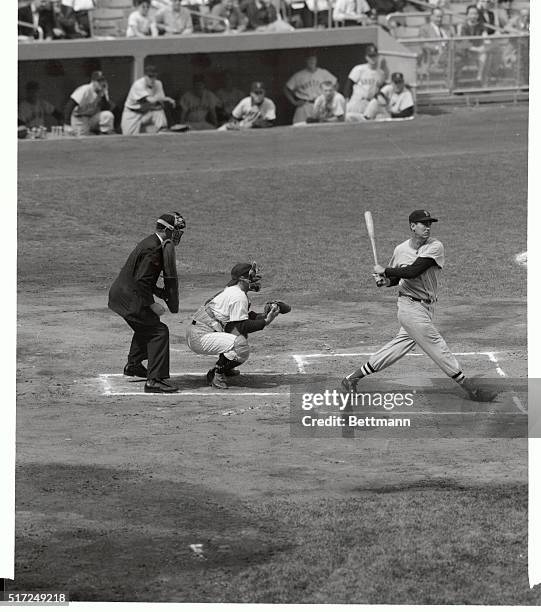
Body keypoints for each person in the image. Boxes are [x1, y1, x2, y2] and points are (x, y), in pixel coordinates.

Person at [341, 210, 498, 403]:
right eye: (423, 224)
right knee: (437, 345)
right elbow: (396, 277)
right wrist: (384, 281)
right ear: (412, 226)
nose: (428, 227)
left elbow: (414, 271)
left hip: (426, 309)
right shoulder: (400, 250)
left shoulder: (435, 246)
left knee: (397, 347)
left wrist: (385, 270)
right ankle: (470, 388)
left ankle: (352, 378)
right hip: (409, 308)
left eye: (429, 223)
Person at [108, 213, 186, 394]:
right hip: (130, 298)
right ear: (167, 230)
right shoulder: (154, 249)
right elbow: (142, 281)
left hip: (122, 295)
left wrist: (161, 293)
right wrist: (152, 304)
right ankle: (155, 380)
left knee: (147, 326)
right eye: (176, 231)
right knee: (158, 332)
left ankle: (134, 365)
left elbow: (145, 279)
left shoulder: (152, 242)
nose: (178, 235)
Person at [186, 263, 280, 389]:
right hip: (200, 336)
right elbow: (241, 325)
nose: (254, 279)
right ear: (242, 279)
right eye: (251, 276)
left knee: (236, 334)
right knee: (240, 345)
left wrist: (264, 315)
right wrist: (266, 321)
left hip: (203, 331)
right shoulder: (238, 296)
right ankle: (217, 373)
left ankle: (225, 368)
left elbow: (244, 318)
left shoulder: (235, 290)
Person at [283, 51, 338, 125]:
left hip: (321, 104)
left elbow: (336, 84)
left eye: (313, 59)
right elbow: (286, 89)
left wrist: (330, 98)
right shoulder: (299, 75)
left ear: (316, 60)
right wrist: (294, 102)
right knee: (299, 127)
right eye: (309, 59)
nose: (312, 61)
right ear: (305, 61)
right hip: (305, 105)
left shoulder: (323, 73)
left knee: (323, 126)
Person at [121, 65, 175, 135]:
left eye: (154, 76)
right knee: (129, 139)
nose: (152, 79)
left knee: (158, 112)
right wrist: (167, 99)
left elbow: (160, 103)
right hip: (132, 115)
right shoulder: (138, 84)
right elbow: (150, 100)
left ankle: (163, 131)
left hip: (146, 114)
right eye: (150, 76)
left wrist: (161, 103)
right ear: (144, 76)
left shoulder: (158, 84)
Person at [64, 71, 115, 136]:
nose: (101, 83)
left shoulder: (102, 92)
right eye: (98, 81)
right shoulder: (85, 89)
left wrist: (103, 95)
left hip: (91, 118)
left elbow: (106, 108)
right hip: (79, 120)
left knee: (108, 115)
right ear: (93, 81)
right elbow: (69, 106)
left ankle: (104, 135)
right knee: (83, 140)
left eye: (103, 81)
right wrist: (67, 124)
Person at [344, 44, 385, 122]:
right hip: (357, 101)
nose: (373, 59)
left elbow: (380, 90)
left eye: (374, 56)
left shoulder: (381, 73)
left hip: (369, 103)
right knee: (348, 119)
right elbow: (348, 85)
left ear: (378, 56)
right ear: (366, 57)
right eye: (370, 56)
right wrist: (347, 101)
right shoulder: (359, 69)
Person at [455, 5, 489, 86]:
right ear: (467, 15)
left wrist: (484, 44)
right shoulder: (462, 26)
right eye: (471, 14)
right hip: (464, 51)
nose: (473, 16)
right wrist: (477, 49)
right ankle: (457, 81)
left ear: (478, 15)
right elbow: (462, 42)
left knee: (484, 54)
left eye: (475, 14)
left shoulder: (481, 26)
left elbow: (485, 38)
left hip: (477, 50)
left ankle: (480, 77)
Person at [418, 7, 453, 75]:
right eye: (437, 17)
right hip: (434, 55)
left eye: (441, 17)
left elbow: (455, 39)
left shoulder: (448, 28)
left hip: (449, 53)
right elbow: (423, 44)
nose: (439, 19)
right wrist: (437, 47)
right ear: (431, 16)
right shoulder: (424, 28)